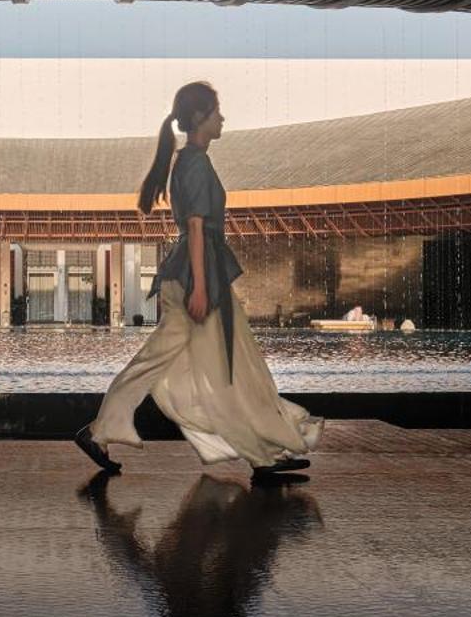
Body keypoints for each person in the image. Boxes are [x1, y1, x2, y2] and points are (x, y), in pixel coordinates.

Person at [75, 81, 322, 479]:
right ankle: (262, 454)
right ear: (198, 118)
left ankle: (263, 453)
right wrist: (202, 288)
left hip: (196, 273)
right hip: (197, 276)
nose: (222, 118)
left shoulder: (189, 160)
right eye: (216, 112)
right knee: (227, 365)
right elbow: (194, 227)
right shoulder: (194, 162)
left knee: (226, 363)